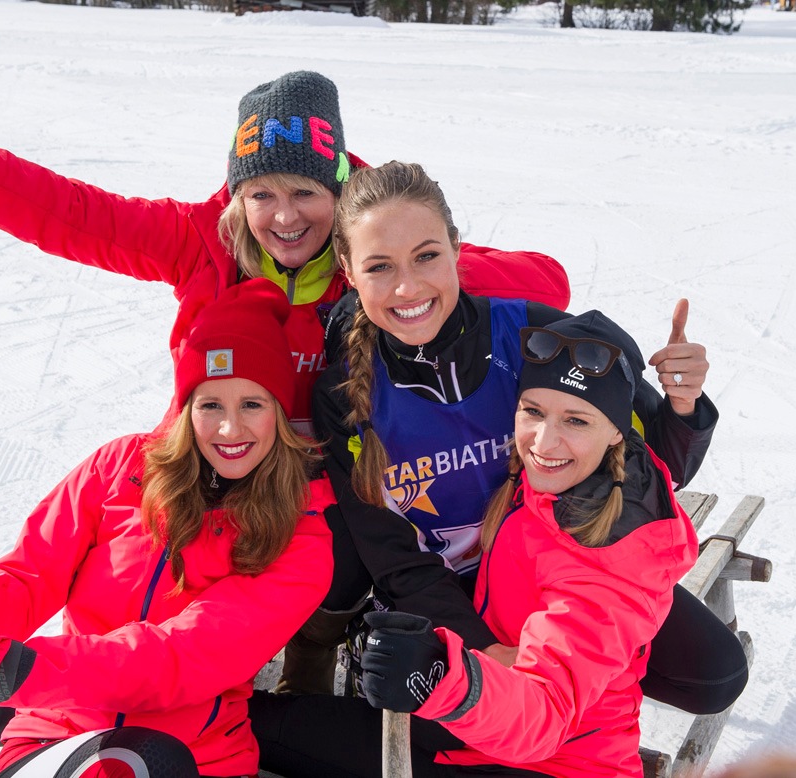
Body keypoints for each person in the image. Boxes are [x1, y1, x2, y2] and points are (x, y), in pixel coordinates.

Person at [0, 16, 570, 437]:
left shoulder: (381, 247)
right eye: (260, 193)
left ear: (339, 188)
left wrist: (390, 273)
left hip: (344, 488)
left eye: (304, 192)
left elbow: (548, 281)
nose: (283, 216)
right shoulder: (200, 242)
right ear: (237, 195)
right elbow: (55, 210)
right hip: (217, 465)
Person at [248, 161, 743, 750]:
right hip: (443, 594)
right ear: (350, 273)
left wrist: (682, 407)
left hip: (551, 574)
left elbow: (648, 469)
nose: (408, 287)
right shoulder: (344, 394)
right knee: (486, 735)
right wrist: (481, 648)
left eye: (427, 256)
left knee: (713, 675)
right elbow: (392, 557)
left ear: (457, 251)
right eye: (380, 267)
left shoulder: (534, 336)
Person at [0, 279, 335, 778]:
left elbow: (179, 658)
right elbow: (32, 573)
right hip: (60, 731)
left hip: (197, 755)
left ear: (279, 413)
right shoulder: (121, 467)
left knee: (147, 763)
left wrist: (5, 672)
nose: (230, 430)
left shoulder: (299, 535)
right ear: (186, 408)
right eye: (210, 404)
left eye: (252, 405)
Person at [252, 308, 699, 778]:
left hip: (538, 760)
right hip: (480, 733)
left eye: (577, 421)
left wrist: (440, 676)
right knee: (265, 723)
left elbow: (542, 717)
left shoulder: (608, 558)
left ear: (617, 432)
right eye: (533, 412)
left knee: (249, 728)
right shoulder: (560, 488)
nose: (545, 441)